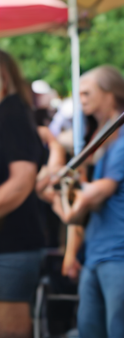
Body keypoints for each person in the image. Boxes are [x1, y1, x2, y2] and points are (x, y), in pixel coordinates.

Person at [51, 65, 124, 338]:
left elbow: (98, 193)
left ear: (110, 94)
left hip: (123, 251)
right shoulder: (111, 134)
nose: (81, 97)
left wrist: (61, 201)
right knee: (89, 329)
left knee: (118, 331)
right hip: (99, 252)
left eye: (88, 91)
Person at [0, 50, 45, 338]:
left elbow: (21, 182)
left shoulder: (11, 113)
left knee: (10, 329)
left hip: (13, 245)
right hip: (12, 244)